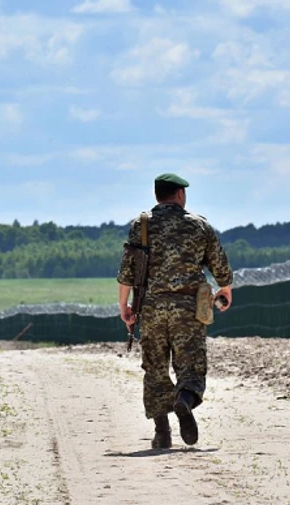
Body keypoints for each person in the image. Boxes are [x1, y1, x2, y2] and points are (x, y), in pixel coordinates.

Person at [116, 173, 234, 450]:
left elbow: (126, 274)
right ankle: (184, 400)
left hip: (151, 308)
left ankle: (162, 432)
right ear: (180, 194)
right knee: (191, 365)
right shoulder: (198, 226)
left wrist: (125, 308)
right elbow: (221, 268)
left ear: (157, 195)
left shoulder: (140, 226)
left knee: (155, 369)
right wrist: (225, 289)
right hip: (188, 309)